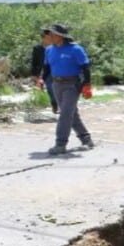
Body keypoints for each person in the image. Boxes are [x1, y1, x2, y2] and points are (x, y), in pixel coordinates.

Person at [42, 24, 95, 155]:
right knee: (71, 114)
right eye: (49, 34)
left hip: (72, 85)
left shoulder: (75, 49)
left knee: (65, 114)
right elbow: (47, 68)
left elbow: (85, 67)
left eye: (52, 34)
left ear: (61, 36)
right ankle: (86, 139)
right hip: (56, 84)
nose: (49, 37)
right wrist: (42, 79)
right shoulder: (49, 50)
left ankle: (60, 144)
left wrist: (87, 84)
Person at [32, 28, 58, 114]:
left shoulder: (56, 47)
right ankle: (54, 103)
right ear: (43, 38)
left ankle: (59, 104)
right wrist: (34, 75)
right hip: (44, 73)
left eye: (51, 37)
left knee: (58, 89)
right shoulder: (37, 48)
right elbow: (34, 62)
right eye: (48, 37)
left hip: (56, 72)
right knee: (50, 89)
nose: (50, 39)